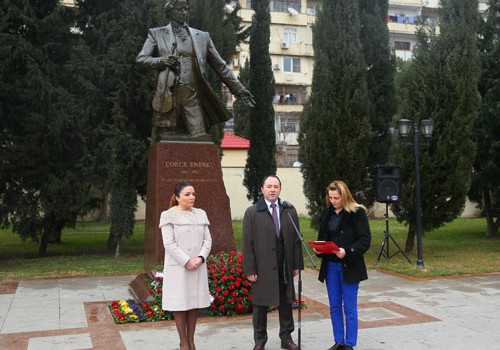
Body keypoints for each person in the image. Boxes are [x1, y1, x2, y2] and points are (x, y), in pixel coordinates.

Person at [136, 0, 255, 141]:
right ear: (169, 12)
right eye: (179, 9)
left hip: (192, 94)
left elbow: (220, 66)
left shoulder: (202, 37)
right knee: (167, 139)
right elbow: (141, 59)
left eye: (186, 9)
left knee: (200, 138)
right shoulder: (156, 34)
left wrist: (239, 89)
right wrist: (161, 61)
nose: (184, 12)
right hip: (169, 93)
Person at [242, 175, 304, 350]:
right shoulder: (253, 212)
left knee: (285, 302)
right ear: (262, 189)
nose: (272, 189)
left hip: (284, 264)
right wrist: (249, 269)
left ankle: (286, 338)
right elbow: (247, 244)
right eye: (269, 186)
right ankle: (260, 341)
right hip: (262, 266)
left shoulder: (289, 211)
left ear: (280, 189)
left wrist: (297, 264)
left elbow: (297, 240)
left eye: (276, 186)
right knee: (261, 305)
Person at [313, 181, 371, 350]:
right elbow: (322, 238)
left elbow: (365, 240)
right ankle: (339, 341)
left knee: (350, 308)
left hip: (349, 266)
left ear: (344, 196)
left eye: (336, 198)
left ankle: (350, 344)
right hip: (330, 266)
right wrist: (319, 250)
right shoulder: (326, 213)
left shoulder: (357, 213)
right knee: (335, 306)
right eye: (330, 198)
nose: (333, 201)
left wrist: (348, 251)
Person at [159, 181, 212, 350]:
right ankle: (183, 341)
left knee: (193, 303)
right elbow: (169, 243)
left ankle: (191, 340)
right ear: (177, 197)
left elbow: (207, 240)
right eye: (187, 194)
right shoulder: (168, 215)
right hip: (179, 267)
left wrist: (200, 258)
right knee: (180, 304)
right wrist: (186, 261)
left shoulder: (201, 214)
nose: (192, 197)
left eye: (194, 194)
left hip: (197, 266)